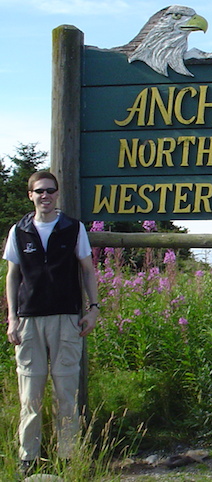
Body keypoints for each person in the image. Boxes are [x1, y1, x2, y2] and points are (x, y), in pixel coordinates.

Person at [3, 171, 100, 477]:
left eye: (50, 191)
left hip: (67, 318)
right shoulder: (19, 231)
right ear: (30, 195)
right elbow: (12, 276)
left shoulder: (73, 228)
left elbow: (87, 270)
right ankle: (28, 458)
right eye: (39, 191)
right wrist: (12, 318)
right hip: (29, 320)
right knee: (30, 396)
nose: (45, 196)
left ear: (57, 194)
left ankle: (68, 457)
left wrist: (93, 309)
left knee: (66, 393)